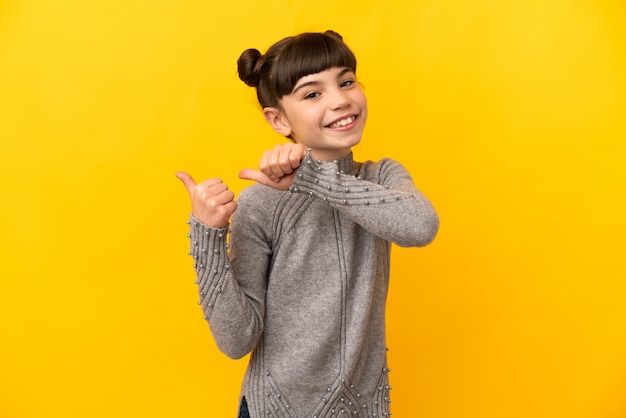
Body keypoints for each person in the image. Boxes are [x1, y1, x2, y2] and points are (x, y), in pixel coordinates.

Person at [176, 30, 439, 418]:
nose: (340, 99)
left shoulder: (381, 177)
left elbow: (421, 226)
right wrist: (207, 236)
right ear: (278, 119)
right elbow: (236, 339)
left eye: (346, 81)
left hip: (363, 409)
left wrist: (313, 177)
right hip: (275, 410)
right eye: (313, 93)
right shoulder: (262, 203)